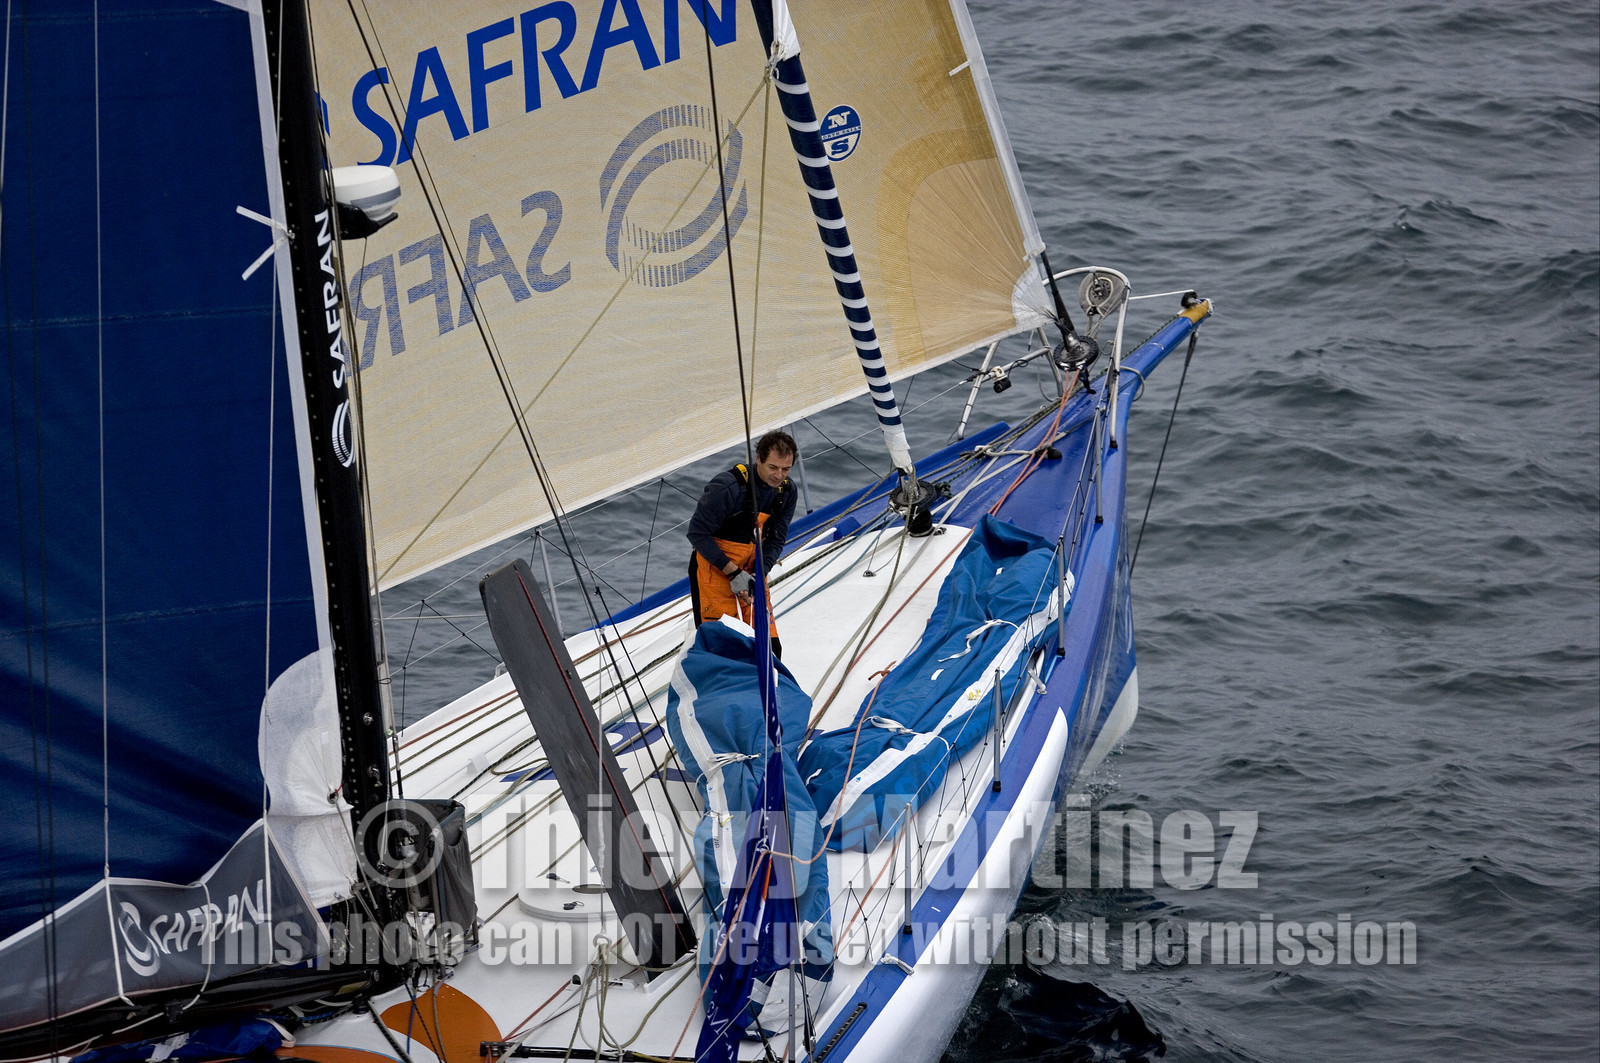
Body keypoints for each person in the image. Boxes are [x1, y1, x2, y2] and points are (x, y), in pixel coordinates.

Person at [687, 430, 798, 656]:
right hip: (714, 569)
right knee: (724, 651)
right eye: (773, 467)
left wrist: (758, 575)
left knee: (771, 650)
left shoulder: (786, 492)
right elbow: (697, 534)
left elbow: (776, 540)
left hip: (752, 570)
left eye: (786, 469)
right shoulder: (727, 487)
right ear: (758, 458)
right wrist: (733, 573)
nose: (779, 476)